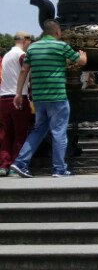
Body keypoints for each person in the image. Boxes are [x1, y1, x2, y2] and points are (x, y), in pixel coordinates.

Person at [9, 19, 87, 178]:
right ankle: (59, 169)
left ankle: (20, 162)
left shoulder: (32, 48)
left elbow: (24, 71)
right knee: (58, 132)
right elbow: (79, 62)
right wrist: (83, 56)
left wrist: (18, 93)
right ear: (58, 33)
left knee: (38, 130)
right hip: (57, 96)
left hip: (39, 98)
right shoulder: (61, 46)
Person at [0, 31, 34, 176]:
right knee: (20, 133)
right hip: (18, 98)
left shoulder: (6, 56)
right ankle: (16, 163)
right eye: (30, 41)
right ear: (25, 40)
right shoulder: (22, 56)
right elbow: (27, 72)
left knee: (5, 134)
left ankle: (4, 165)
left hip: (3, 98)